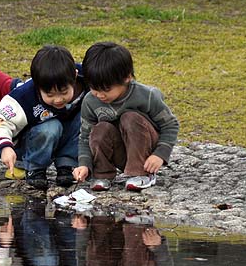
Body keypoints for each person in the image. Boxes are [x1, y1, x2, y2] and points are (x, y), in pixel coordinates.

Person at [73, 42, 179, 191]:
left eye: (106, 89)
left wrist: (159, 155)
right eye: (94, 89)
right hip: (120, 152)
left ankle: (142, 173)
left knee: (129, 118)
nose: (100, 95)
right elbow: (85, 136)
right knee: (100, 128)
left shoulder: (146, 95)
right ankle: (103, 174)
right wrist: (84, 164)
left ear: (127, 78)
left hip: (145, 152)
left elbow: (170, 124)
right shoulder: (90, 101)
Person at [0, 45, 87, 190]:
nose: (58, 100)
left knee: (84, 119)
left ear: (75, 76)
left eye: (64, 92)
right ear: (37, 86)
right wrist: (5, 147)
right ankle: (36, 168)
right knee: (51, 127)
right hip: (35, 142)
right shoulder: (24, 96)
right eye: (50, 95)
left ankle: (67, 164)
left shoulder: (88, 78)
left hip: (69, 135)